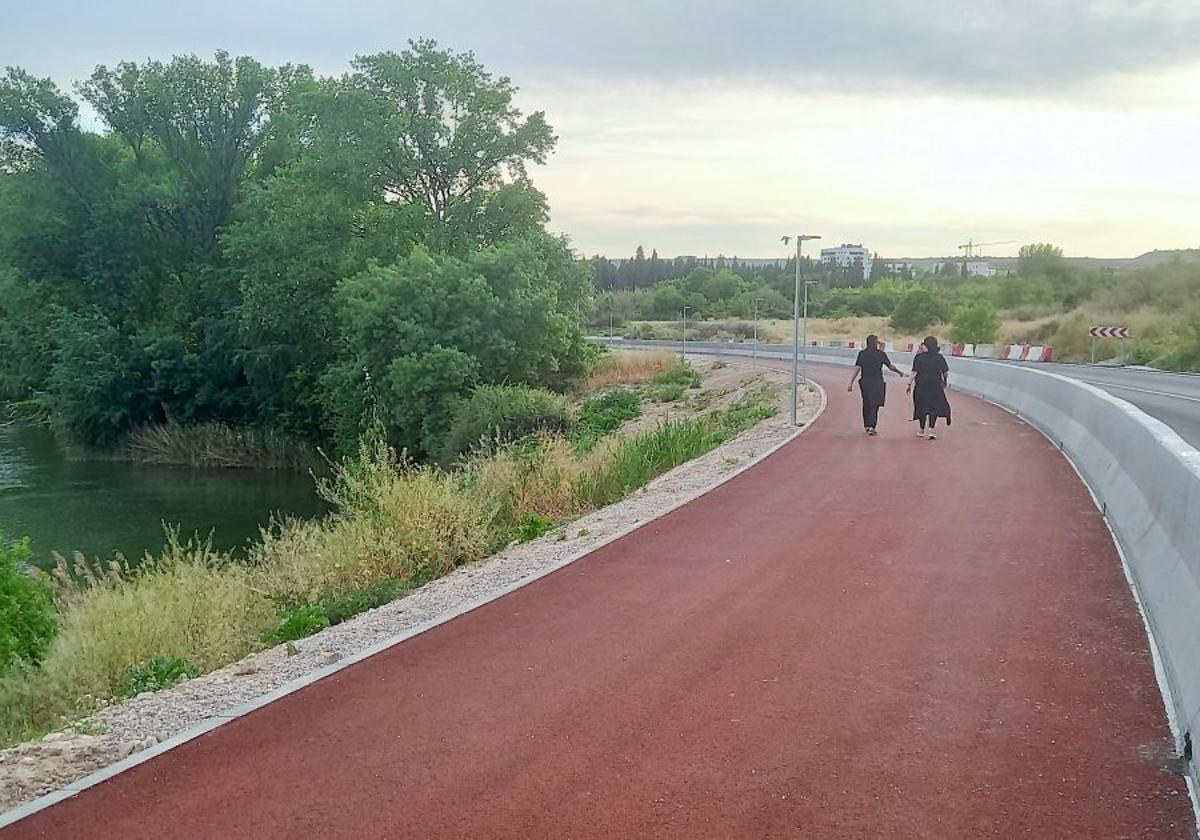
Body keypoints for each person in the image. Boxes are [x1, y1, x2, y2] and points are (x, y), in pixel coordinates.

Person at [846, 335, 905, 435]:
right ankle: (872, 426)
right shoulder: (880, 354)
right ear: (875, 343)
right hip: (877, 381)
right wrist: (899, 372)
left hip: (865, 381)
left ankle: (867, 425)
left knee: (867, 402)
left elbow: (857, 368)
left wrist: (851, 382)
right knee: (875, 404)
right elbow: (890, 366)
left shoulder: (862, 354)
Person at [908, 335, 952, 439]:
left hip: (921, 386)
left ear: (925, 345)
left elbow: (914, 372)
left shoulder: (919, 357)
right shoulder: (939, 357)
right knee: (934, 407)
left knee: (921, 406)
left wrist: (909, 383)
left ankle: (922, 429)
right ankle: (932, 430)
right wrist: (945, 381)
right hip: (935, 385)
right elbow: (945, 372)